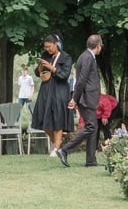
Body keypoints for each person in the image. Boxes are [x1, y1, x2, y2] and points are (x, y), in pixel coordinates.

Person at [56, 34, 103, 168]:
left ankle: (91, 160)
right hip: (87, 98)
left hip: (88, 97)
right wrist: (75, 99)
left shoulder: (86, 56)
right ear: (98, 45)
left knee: (93, 128)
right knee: (91, 127)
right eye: (101, 45)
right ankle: (64, 150)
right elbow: (81, 80)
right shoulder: (87, 57)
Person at [31, 33, 73, 155]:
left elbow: (64, 76)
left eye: (49, 46)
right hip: (45, 90)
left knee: (57, 119)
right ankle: (58, 146)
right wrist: (40, 65)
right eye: (45, 47)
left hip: (60, 91)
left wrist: (51, 67)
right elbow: (37, 73)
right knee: (43, 119)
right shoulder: (45, 55)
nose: (47, 49)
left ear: (56, 44)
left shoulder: (66, 57)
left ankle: (56, 148)